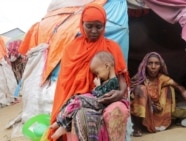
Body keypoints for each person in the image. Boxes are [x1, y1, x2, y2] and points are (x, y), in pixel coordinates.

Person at [47, 3, 130, 141]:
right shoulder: (71, 48)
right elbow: (66, 84)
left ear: (104, 26)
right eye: (89, 26)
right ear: (82, 23)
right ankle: (63, 124)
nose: (93, 31)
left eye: (99, 26)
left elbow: (121, 78)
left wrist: (119, 93)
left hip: (109, 98)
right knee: (81, 115)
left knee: (117, 110)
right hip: (82, 99)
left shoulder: (113, 47)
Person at [50, 51, 120, 140]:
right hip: (97, 103)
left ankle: (61, 123)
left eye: (97, 73)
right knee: (74, 100)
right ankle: (62, 123)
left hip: (100, 104)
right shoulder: (109, 81)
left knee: (79, 101)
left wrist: (98, 86)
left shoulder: (114, 81)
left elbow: (100, 95)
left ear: (107, 66)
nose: (98, 76)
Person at [130, 52, 186, 137]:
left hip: (156, 109)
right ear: (145, 65)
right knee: (140, 89)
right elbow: (129, 94)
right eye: (150, 63)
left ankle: (162, 122)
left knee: (169, 88)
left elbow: (176, 85)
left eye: (156, 64)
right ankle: (137, 126)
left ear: (160, 66)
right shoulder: (139, 78)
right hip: (143, 111)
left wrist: (185, 93)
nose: (153, 67)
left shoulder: (161, 78)